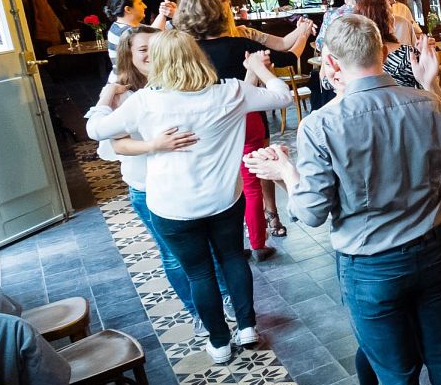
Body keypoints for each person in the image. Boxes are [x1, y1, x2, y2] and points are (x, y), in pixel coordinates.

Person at [246, 14, 441, 385]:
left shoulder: (321, 125)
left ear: (330, 62)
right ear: (380, 52)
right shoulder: (428, 104)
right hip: (433, 249)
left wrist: (284, 173)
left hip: (372, 266)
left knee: (398, 376)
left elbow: (312, 212)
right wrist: (431, 87)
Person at [88, 30, 291, 363]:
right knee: (233, 260)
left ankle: (220, 343)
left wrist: (104, 98)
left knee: (199, 273)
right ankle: (247, 327)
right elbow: (282, 96)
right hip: (224, 198)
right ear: (197, 56)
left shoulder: (146, 101)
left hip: (173, 206)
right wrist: (260, 67)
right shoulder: (231, 91)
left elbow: (96, 130)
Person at [176, 0, 312, 257]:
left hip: (204, 122)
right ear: (219, 14)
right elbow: (287, 57)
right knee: (251, 185)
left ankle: (229, 248)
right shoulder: (239, 45)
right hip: (246, 118)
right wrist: (304, 33)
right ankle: (259, 244)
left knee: (219, 184)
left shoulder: (186, 54)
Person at [87, 26, 199, 320]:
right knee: (174, 256)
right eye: (142, 49)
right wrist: (155, 145)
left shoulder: (181, 82)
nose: (151, 54)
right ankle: (197, 312)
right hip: (146, 185)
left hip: (185, 181)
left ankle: (222, 302)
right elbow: (118, 145)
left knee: (206, 251)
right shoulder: (123, 95)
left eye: (155, 46)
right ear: (128, 56)